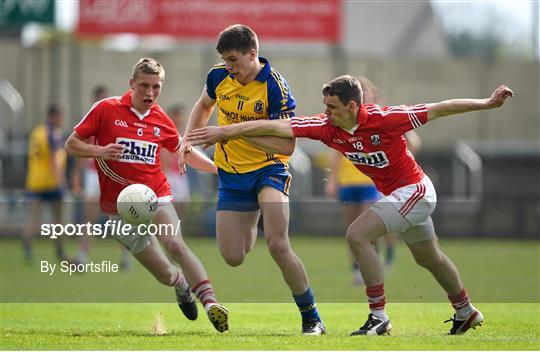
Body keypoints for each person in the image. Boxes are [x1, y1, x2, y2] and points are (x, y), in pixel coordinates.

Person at [186, 75, 513, 336]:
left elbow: (442, 107)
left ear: (353, 105)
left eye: (332, 106)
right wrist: (226, 132)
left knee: (357, 235)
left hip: (415, 190)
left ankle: (378, 317)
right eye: (324, 106)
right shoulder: (328, 128)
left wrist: (487, 102)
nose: (325, 112)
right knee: (429, 257)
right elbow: (279, 127)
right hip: (399, 197)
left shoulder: (386, 119)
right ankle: (466, 311)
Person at [178, 24, 325, 335]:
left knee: (278, 244)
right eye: (225, 60)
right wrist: (188, 139)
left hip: (269, 170)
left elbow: (287, 146)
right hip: (231, 175)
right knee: (233, 256)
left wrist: (231, 132)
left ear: (252, 54)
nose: (229, 68)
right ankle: (252, 215)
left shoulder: (275, 86)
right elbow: (204, 105)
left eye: (234, 60)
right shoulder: (219, 77)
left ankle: (312, 317)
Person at [65, 58, 229, 333]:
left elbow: (182, 150)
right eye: (144, 85)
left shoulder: (160, 118)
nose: (150, 93)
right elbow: (72, 144)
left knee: (175, 245)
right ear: (132, 84)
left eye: (156, 87)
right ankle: (180, 285)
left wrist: (217, 170)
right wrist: (100, 151)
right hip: (118, 209)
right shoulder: (106, 109)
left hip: (156, 195)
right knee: (165, 273)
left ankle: (212, 304)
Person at [324, 77, 421, 285]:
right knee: (351, 228)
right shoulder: (344, 119)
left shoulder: (381, 117)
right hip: (348, 182)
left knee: (366, 226)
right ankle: (356, 270)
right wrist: (332, 179)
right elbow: (336, 152)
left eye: (367, 90)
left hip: (372, 182)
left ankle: (382, 261)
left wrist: (394, 162)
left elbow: (413, 142)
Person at [70, 85, 131, 269]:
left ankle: (125, 257)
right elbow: (81, 148)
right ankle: (82, 256)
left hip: (113, 173)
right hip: (93, 173)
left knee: (121, 217)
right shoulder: (90, 121)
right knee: (90, 216)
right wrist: (76, 176)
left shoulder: (118, 121)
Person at [23, 103, 68, 263]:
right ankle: (60, 251)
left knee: (33, 217)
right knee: (58, 219)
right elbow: (55, 160)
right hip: (51, 182)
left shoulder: (37, 131)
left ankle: (27, 248)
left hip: (34, 181)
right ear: (53, 116)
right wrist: (61, 181)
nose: (62, 119)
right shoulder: (53, 133)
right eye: (60, 115)